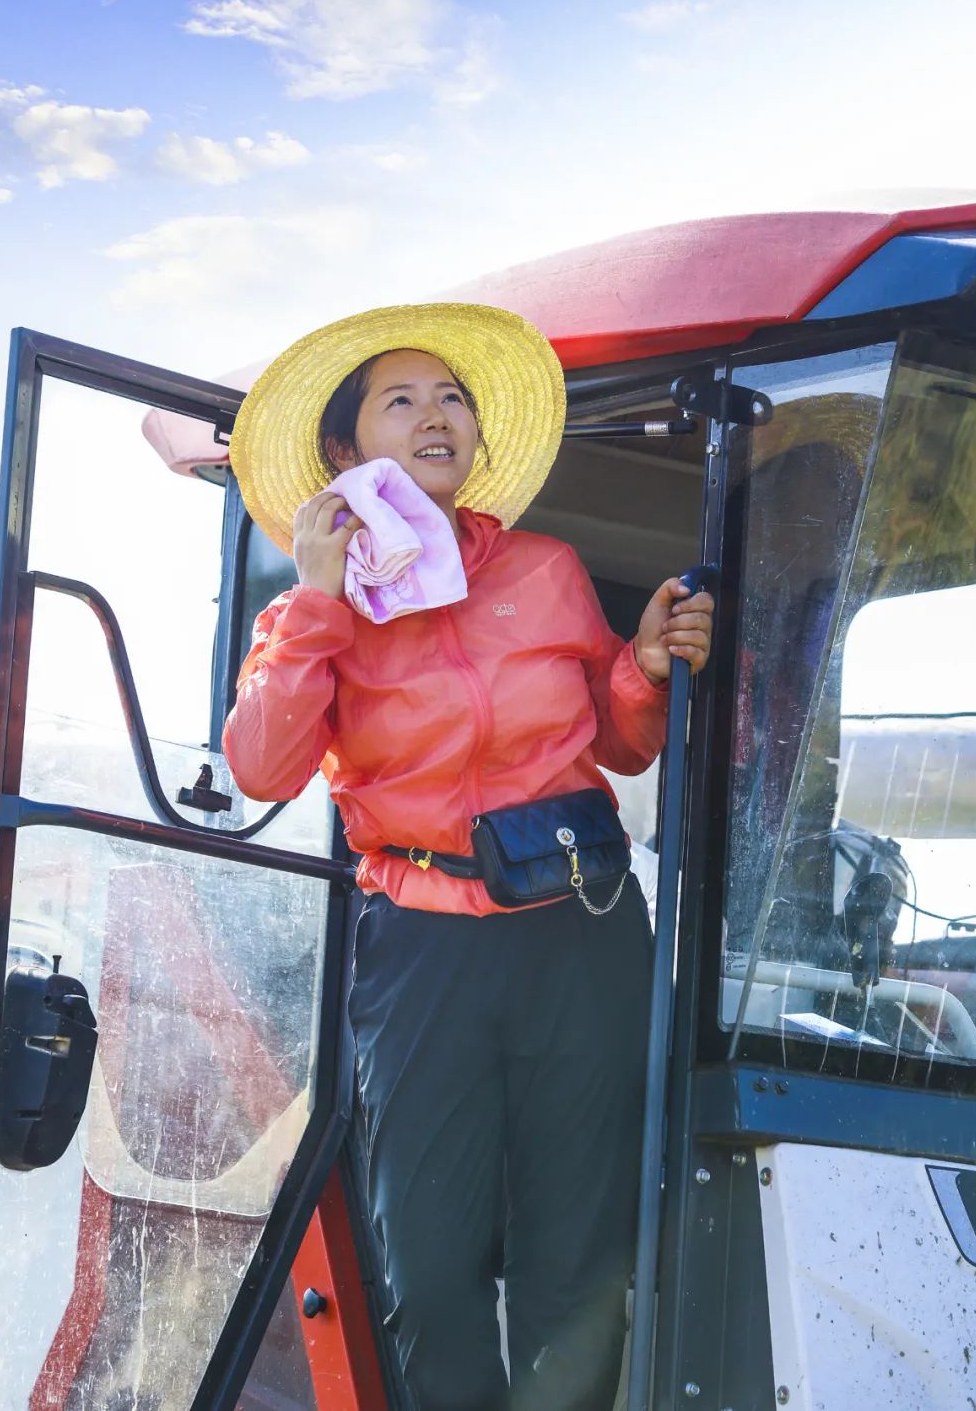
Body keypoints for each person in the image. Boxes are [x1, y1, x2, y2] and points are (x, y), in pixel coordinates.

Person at [223, 303, 714, 1411]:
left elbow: (621, 741)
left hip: (583, 931)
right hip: (423, 951)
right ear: (345, 453)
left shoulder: (546, 567)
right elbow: (260, 765)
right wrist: (314, 601)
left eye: (452, 397)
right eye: (402, 400)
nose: (435, 414)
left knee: (576, 1264)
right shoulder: (313, 607)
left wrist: (642, 661)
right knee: (430, 1274)